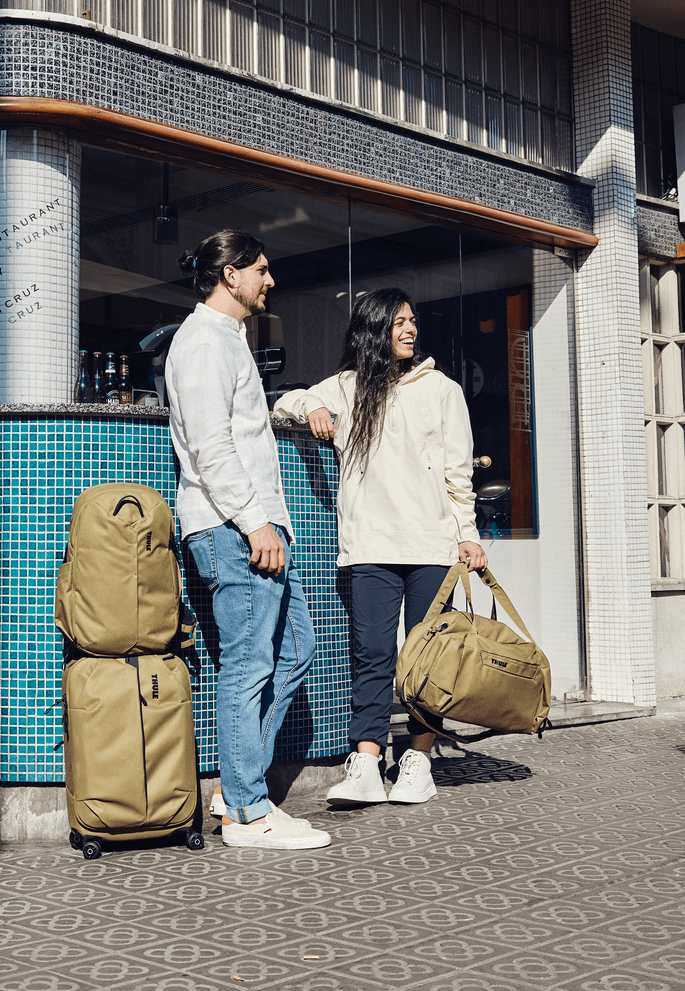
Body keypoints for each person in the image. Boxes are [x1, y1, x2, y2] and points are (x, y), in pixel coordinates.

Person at [274, 288, 487, 805]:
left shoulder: (442, 390)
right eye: (398, 322)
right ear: (374, 330)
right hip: (369, 545)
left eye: (413, 320)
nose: (410, 329)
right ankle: (367, 760)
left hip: (432, 547)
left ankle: (418, 758)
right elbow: (284, 401)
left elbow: (459, 474)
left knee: (426, 657)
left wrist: (468, 536)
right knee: (370, 654)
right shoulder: (347, 387)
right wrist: (316, 405)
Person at [165, 230, 330, 850]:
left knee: (294, 654)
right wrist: (254, 522)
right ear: (230, 275)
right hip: (233, 530)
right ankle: (248, 808)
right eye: (261, 270)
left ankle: (238, 789)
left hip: (250, 527)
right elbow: (211, 447)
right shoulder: (203, 342)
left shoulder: (227, 342)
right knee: (248, 665)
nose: (269, 280)